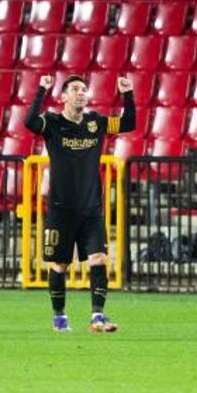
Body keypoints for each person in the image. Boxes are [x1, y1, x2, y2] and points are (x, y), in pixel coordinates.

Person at [25, 74, 135, 332]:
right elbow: (30, 121)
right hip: (61, 210)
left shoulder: (96, 122)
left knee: (99, 258)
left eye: (84, 89)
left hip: (91, 209)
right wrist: (41, 89)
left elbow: (129, 123)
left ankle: (97, 316)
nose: (81, 93)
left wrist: (127, 94)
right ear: (63, 97)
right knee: (59, 265)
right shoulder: (52, 122)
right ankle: (59, 317)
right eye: (74, 89)